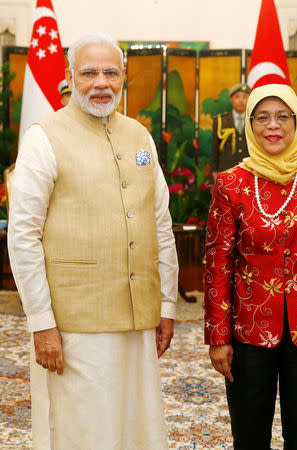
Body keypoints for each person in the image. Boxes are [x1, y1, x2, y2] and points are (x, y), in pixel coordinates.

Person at [8, 32, 178, 450]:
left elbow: (161, 223)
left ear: (123, 78)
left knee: (136, 424)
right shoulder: (43, 137)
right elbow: (23, 234)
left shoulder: (140, 136)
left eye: (110, 72)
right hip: (74, 322)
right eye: (89, 73)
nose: (101, 82)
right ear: (69, 77)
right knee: (84, 430)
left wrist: (168, 304)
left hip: (138, 314)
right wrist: (41, 322)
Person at [204, 83, 297, 450]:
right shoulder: (232, 183)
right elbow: (218, 263)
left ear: (296, 121)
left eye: (282, 116)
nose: (272, 126)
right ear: (250, 124)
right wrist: (217, 336)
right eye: (262, 117)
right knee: (249, 434)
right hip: (248, 329)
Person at [211, 83, 250, 182]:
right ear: (231, 99)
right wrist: (214, 175)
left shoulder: (255, 121)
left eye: (245, 97)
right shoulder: (220, 121)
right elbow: (215, 150)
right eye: (237, 97)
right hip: (226, 173)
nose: (241, 100)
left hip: (249, 173)